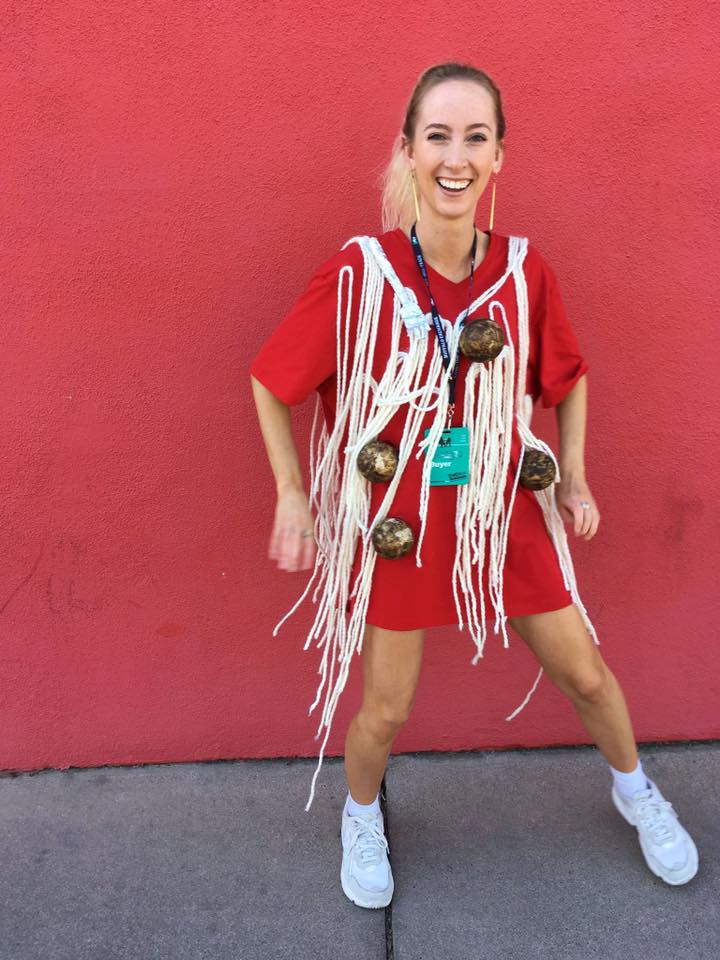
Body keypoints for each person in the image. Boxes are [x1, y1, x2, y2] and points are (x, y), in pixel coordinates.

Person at [249, 62, 699, 909]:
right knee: (385, 710)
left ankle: (637, 792)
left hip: (498, 509)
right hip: (404, 520)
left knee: (589, 676)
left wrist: (574, 480)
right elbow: (271, 383)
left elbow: (567, 377)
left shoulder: (526, 272)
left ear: (499, 158)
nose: (456, 156)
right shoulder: (360, 271)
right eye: (438, 136)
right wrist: (291, 495)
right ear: (409, 151)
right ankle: (360, 814)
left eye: (476, 137)